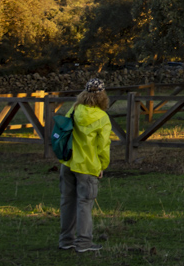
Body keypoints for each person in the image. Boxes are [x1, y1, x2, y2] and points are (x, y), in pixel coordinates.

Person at [59, 78, 112, 253]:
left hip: (68, 162)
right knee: (84, 203)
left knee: (67, 202)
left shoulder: (74, 110)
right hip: (87, 165)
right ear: (102, 95)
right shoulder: (102, 117)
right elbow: (103, 146)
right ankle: (83, 242)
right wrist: (102, 165)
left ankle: (66, 239)